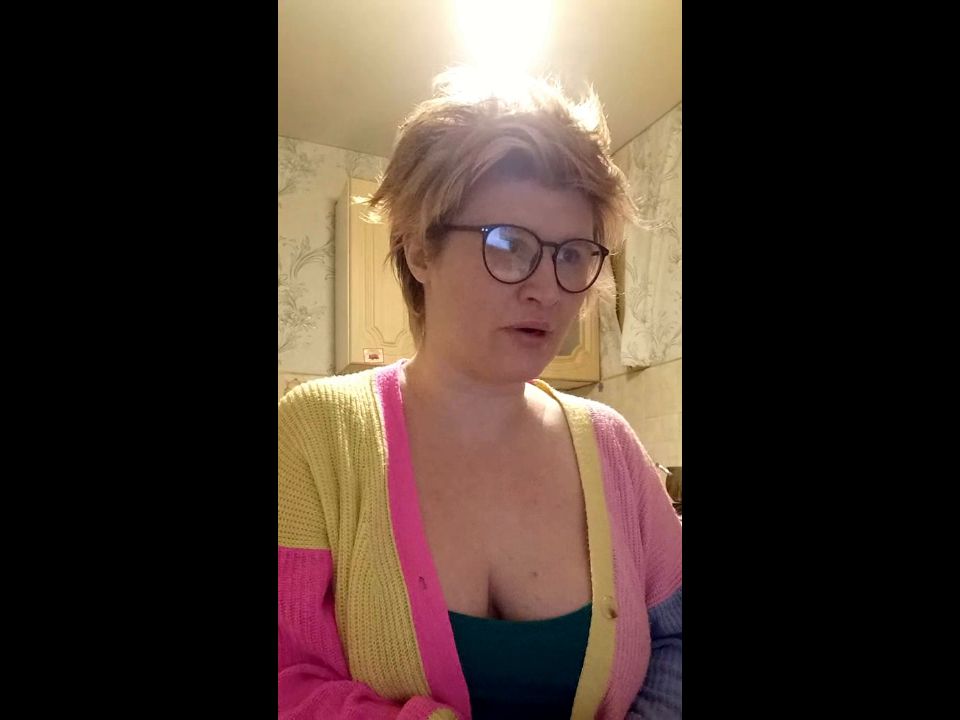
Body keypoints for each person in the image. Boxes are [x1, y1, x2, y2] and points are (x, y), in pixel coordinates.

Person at [278, 67, 682, 720]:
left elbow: (675, 637)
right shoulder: (312, 434)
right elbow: (287, 676)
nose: (547, 290)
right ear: (419, 250)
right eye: (509, 244)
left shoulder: (613, 446)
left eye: (573, 254)